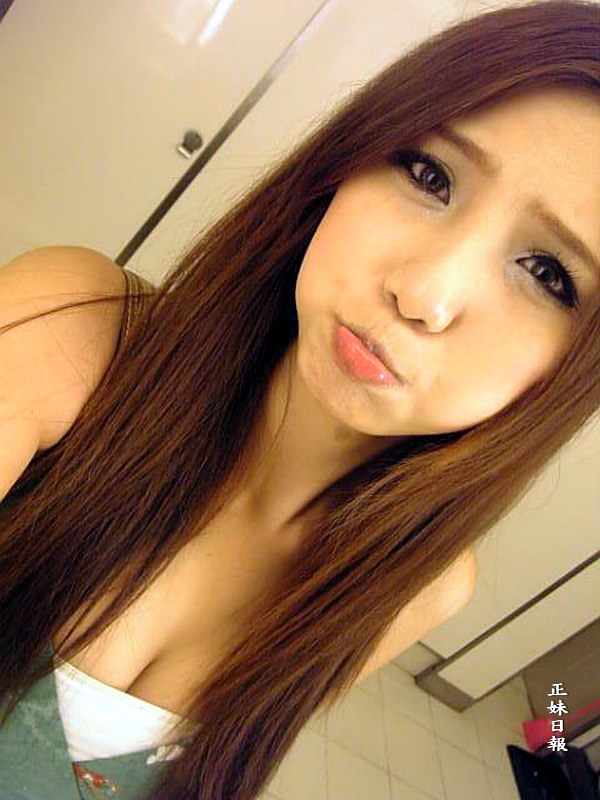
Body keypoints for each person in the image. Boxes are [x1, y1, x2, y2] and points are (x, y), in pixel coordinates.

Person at [1, 1, 599, 798]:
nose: (424, 293)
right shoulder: (71, 331)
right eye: (430, 175)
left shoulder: (418, 582)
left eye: (548, 274)